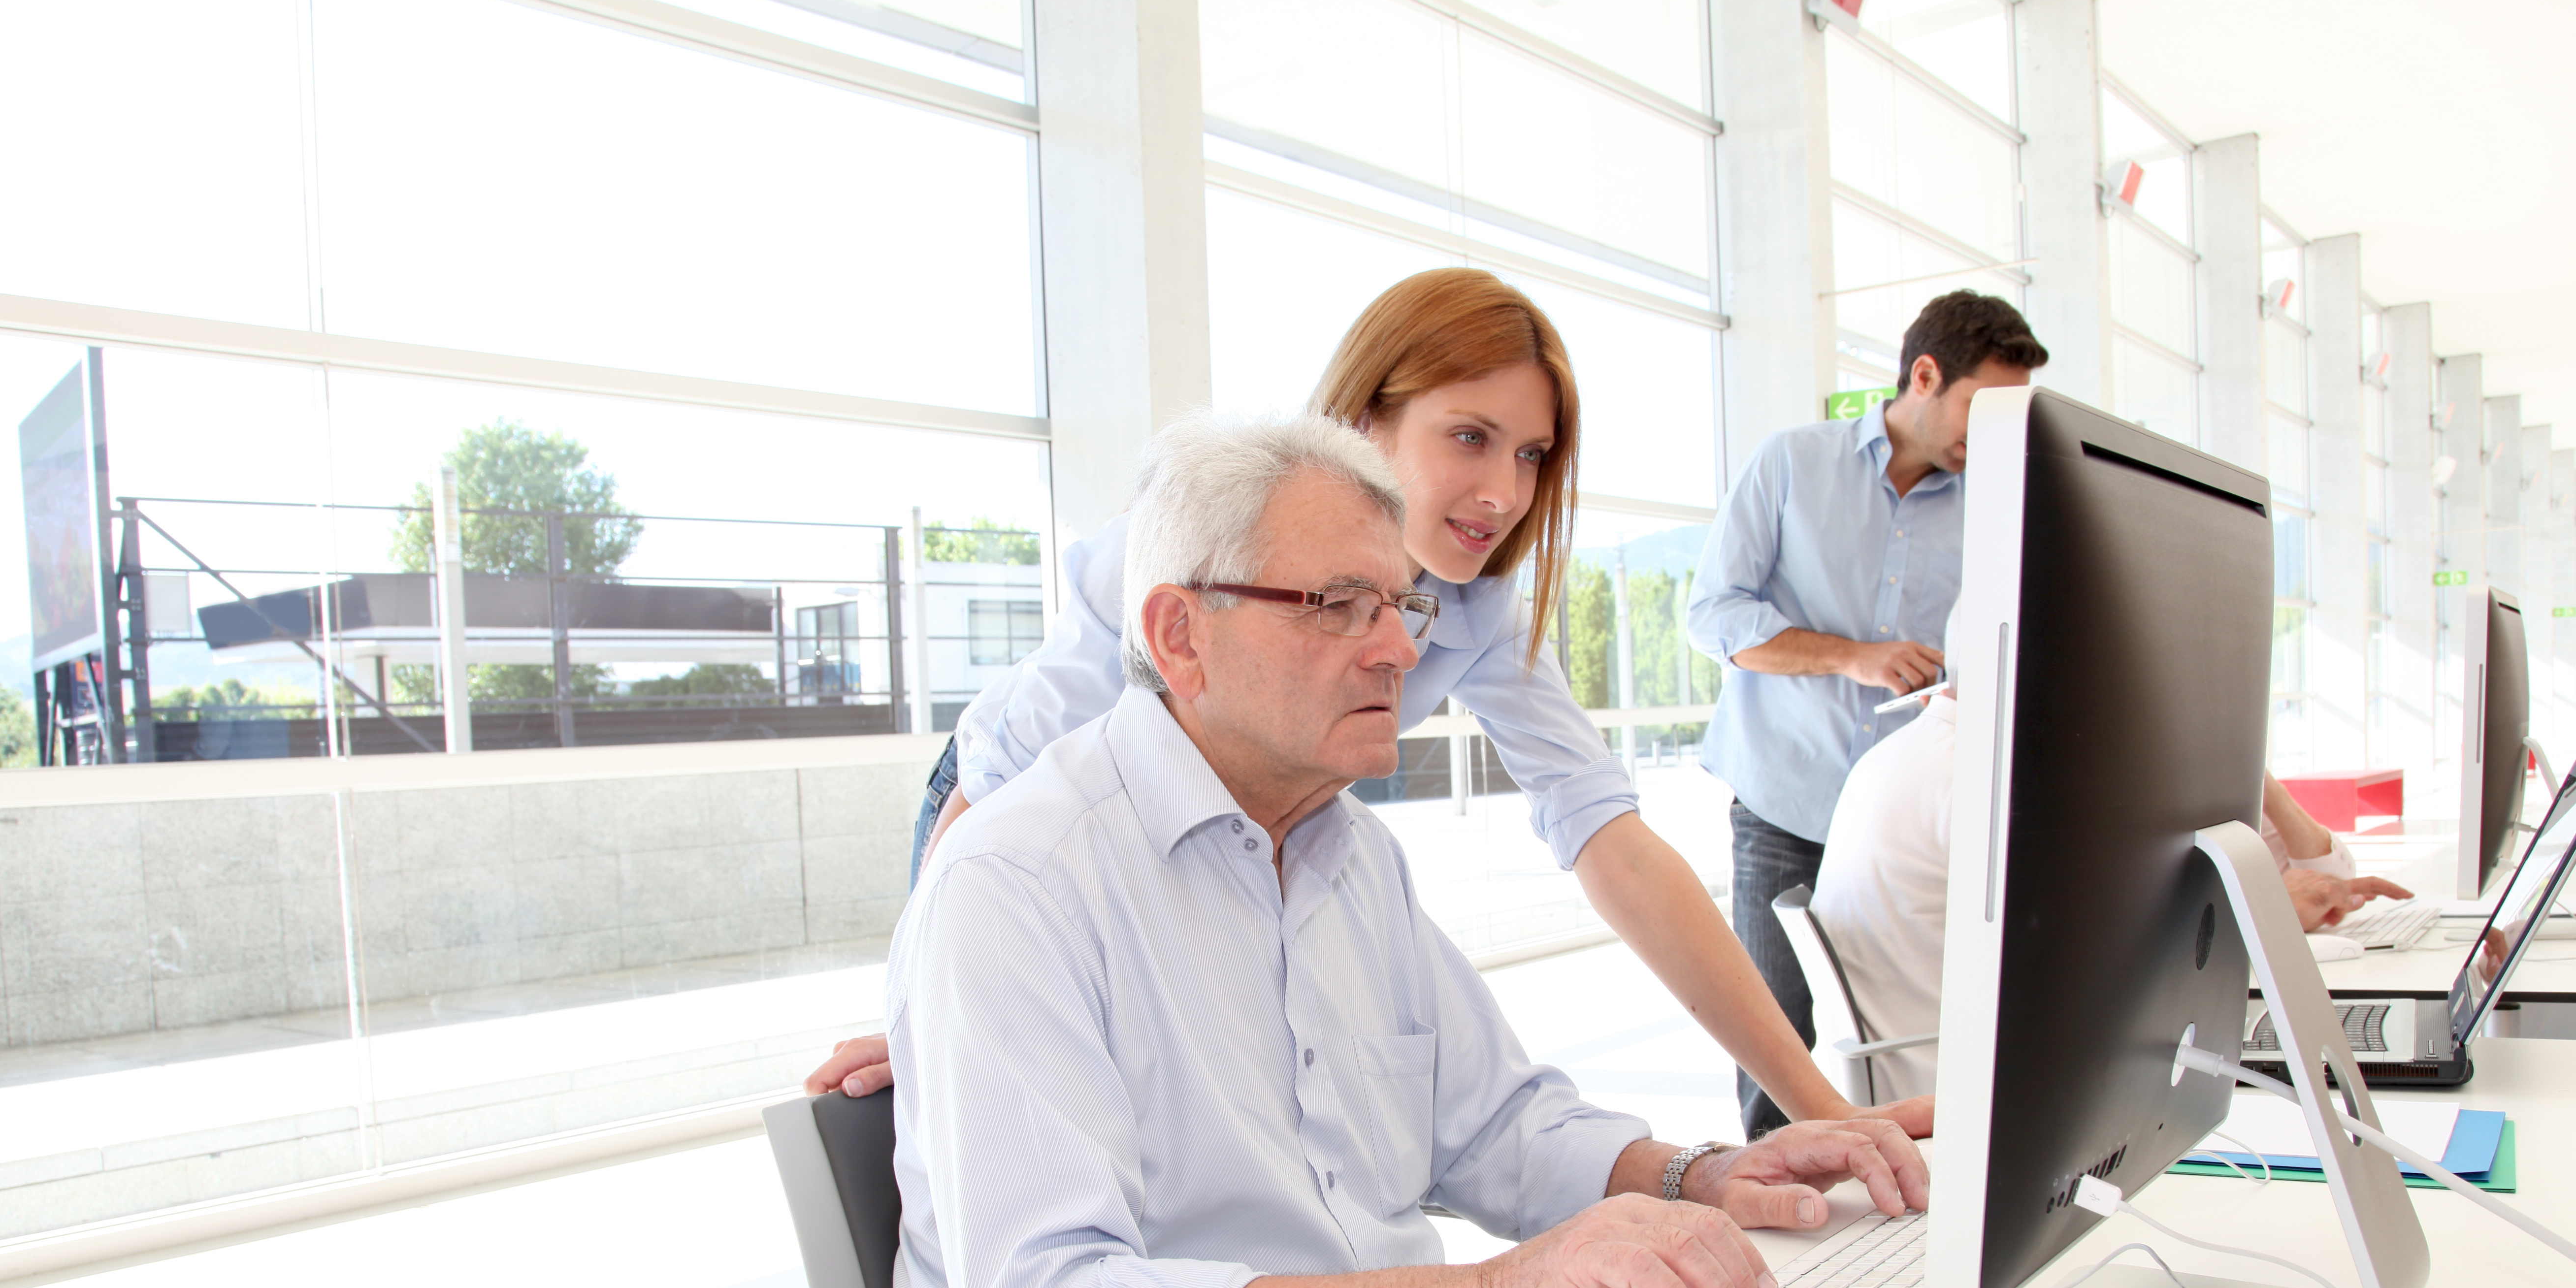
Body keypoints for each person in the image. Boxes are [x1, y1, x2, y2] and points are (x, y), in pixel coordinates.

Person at [888, 414, 1931, 1288]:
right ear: (1180, 633)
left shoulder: (1348, 858)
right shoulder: (1020, 882)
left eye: (1400, 605)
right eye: (1337, 602)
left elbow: (1492, 1124)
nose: (1395, 648)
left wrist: (1699, 1172)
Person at [812, 269, 1925, 1138]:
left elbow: (1614, 845)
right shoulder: (1204, 529)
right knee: (1002, 1098)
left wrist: (1826, 1107)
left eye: (1532, 453)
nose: (1504, 492)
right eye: (1468, 436)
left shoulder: (1477, 604)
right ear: (1368, 415)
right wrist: (932, 1003)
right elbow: (1002, 784)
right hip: (1001, 821)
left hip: (1246, 845)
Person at [1686, 291, 2047, 1139]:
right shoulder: (1790, 464)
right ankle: (1782, 1225)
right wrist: (1853, 655)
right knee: (1776, 1035)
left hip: (1903, 829)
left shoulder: (1992, 508)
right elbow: (1715, 615)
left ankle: (1887, 1221)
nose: (1994, 437)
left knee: (1900, 1035)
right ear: (1925, 375)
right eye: (1982, 409)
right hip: (1787, 803)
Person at [1809, 636, 2412, 1093]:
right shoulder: (1991, 785)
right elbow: (2121, 962)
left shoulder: (1915, 754)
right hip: (1981, 1093)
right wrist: (2259, 910)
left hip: (1956, 1068)